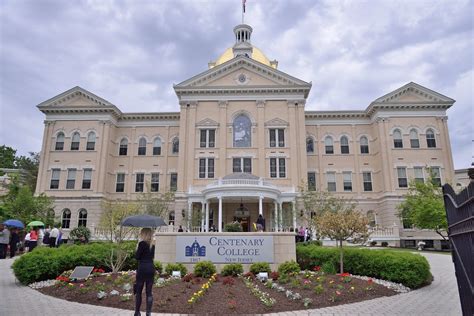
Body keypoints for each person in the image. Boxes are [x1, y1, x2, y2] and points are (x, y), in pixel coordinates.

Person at [134, 228, 156, 316]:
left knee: (139, 291)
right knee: (149, 292)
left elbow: (137, 257)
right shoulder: (152, 245)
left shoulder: (141, 244)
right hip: (150, 267)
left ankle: (137, 312)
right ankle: (148, 313)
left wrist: (137, 247)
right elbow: (152, 257)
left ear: (143, 234)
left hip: (142, 267)